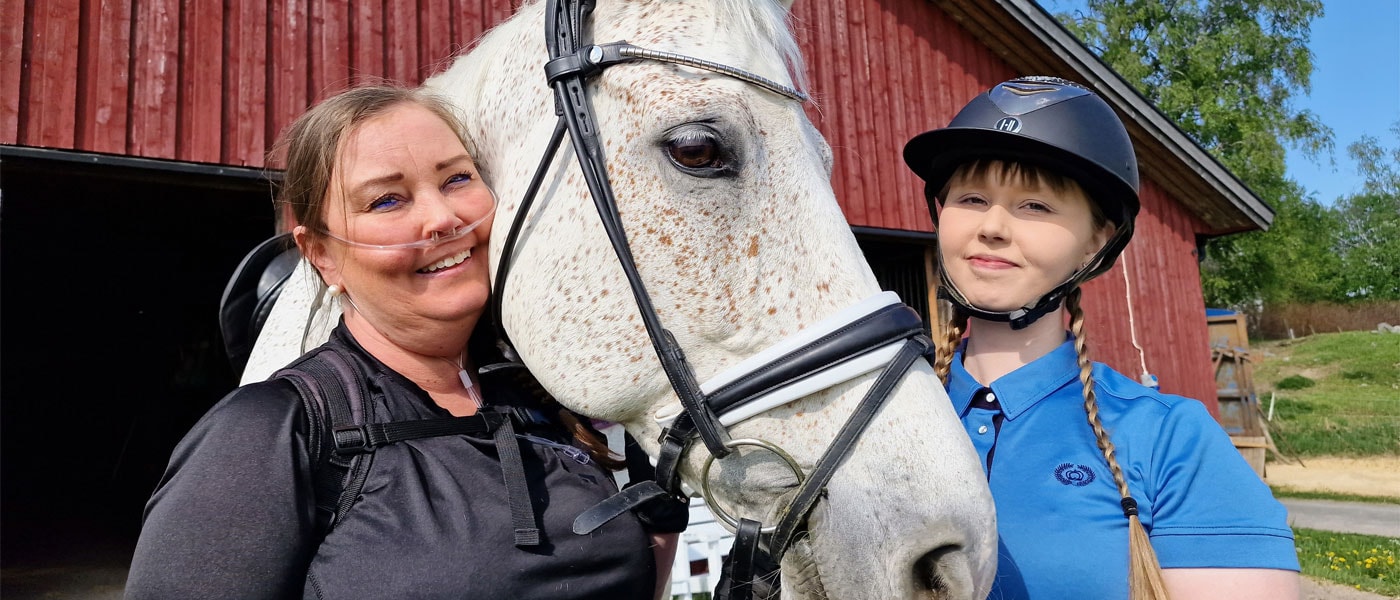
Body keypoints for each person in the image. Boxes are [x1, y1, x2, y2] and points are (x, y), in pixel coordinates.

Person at [127, 84, 682, 599]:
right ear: (321, 253)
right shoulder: (268, 434)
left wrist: (661, 518)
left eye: (457, 179)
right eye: (387, 201)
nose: (443, 218)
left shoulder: (544, 407)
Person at [902, 76, 1300, 600]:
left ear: (1098, 242)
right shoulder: (879, 414)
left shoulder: (1169, 440)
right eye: (972, 198)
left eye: (1035, 206)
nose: (993, 225)